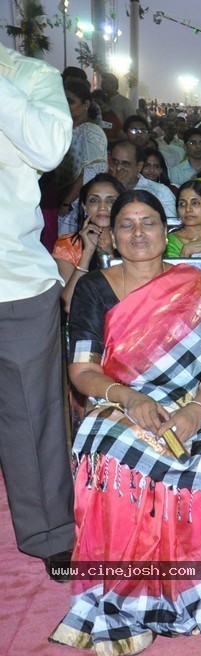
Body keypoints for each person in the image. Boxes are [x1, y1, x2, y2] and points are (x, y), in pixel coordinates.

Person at [50, 190, 201, 656]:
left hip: (199, 396)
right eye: (126, 224)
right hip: (120, 396)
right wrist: (128, 398)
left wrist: (197, 410)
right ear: (111, 235)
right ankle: (131, 595)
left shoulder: (195, 283)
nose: (138, 232)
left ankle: (200, 595)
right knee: (112, 447)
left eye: (148, 222)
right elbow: (82, 372)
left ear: (167, 233)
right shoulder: (94, 288)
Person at [0, 42, 75, 580]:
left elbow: (50, 147)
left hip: (15, 283)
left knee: (33, 417)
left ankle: (51, 531)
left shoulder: (29, 76)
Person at [52, 173, 124, 310]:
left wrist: (110, 251)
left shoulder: (131, 242)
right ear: (84, 207)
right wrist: (88, 252)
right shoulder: (68, 245)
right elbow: (67, 305)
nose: (102, 207)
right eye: (94, 200)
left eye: (110, 201)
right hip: (85, 324)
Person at [56, 78, 108, 237]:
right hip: (62, 196)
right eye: (62, 100)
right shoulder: (68, 129)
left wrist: (67, 202)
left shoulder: (90, 131)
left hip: (76, 203)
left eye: (70, 101)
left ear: (86, 104)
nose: (65, 105)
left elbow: (91, 171)